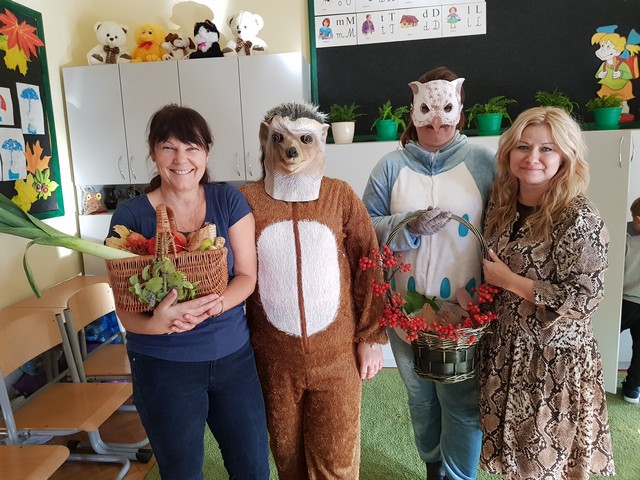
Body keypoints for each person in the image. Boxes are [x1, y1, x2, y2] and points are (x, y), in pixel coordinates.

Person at [108, 104, 270, 480]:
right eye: (168, 147)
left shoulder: (228, 201)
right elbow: (125, 309)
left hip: (232, 358)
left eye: (192, 147)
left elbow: (247, 276)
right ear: (153, 153)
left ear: (206, 153)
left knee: (253, 468)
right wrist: (160, 323)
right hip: (162, 366)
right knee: (182, 473)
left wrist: (214, 306)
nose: (181, 159)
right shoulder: (130, 218)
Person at [239, 101, 386, 480]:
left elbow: (368, 264)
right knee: (287, 456)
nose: (292, 150)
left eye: (305, 139)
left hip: (335, 356)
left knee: (336, 458)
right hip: (274, 360)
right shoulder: (247, 200)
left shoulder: (340, 195)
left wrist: (370, 337)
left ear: (319, 140)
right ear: (266, 139)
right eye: (280, 139)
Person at [363, 66, 496, 480]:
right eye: (426, 111)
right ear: (413, 109)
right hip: (404, 313)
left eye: (446, 111)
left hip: (465, 314)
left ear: (460, 109)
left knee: (462, 404)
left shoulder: (483, 163)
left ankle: (458, 475)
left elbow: (502, 229)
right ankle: (432, 465)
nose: (436, 122)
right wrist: (407, 225)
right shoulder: (390, 166)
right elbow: (364, 226)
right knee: (421, 399)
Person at [479, 106, 615, 478]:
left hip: (553, 362)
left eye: (547, 149)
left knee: (542, 463)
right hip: (505, 350)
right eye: (523, 147)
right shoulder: (502, 203)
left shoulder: (578, 217)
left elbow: (585, 298)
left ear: (565, 157)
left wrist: (511, 281)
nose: (532, 158)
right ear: (509, 152)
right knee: (511, 460)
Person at [621, 196, 640, 403]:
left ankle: (633, 387)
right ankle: (632, 388)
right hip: (629, 301)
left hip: (628, 301)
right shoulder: (625, 236)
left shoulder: (626, 238)